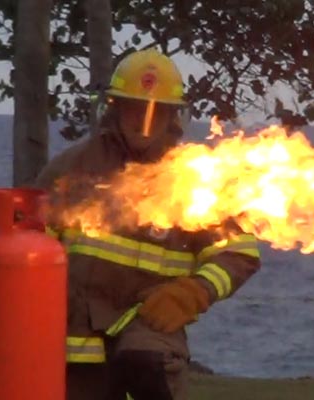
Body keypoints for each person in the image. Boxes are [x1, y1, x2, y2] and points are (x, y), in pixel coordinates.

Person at [33, 48, 262, 400]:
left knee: (147, 365)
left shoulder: (192, 177)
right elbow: (32, 243)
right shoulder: (74, 168)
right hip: (74, 334)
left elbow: (238, 252)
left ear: (172, 116)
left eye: (156, 112)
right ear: (115, 108)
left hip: (151, 324)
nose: (144, 121)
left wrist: (194, 292)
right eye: (135, 108)